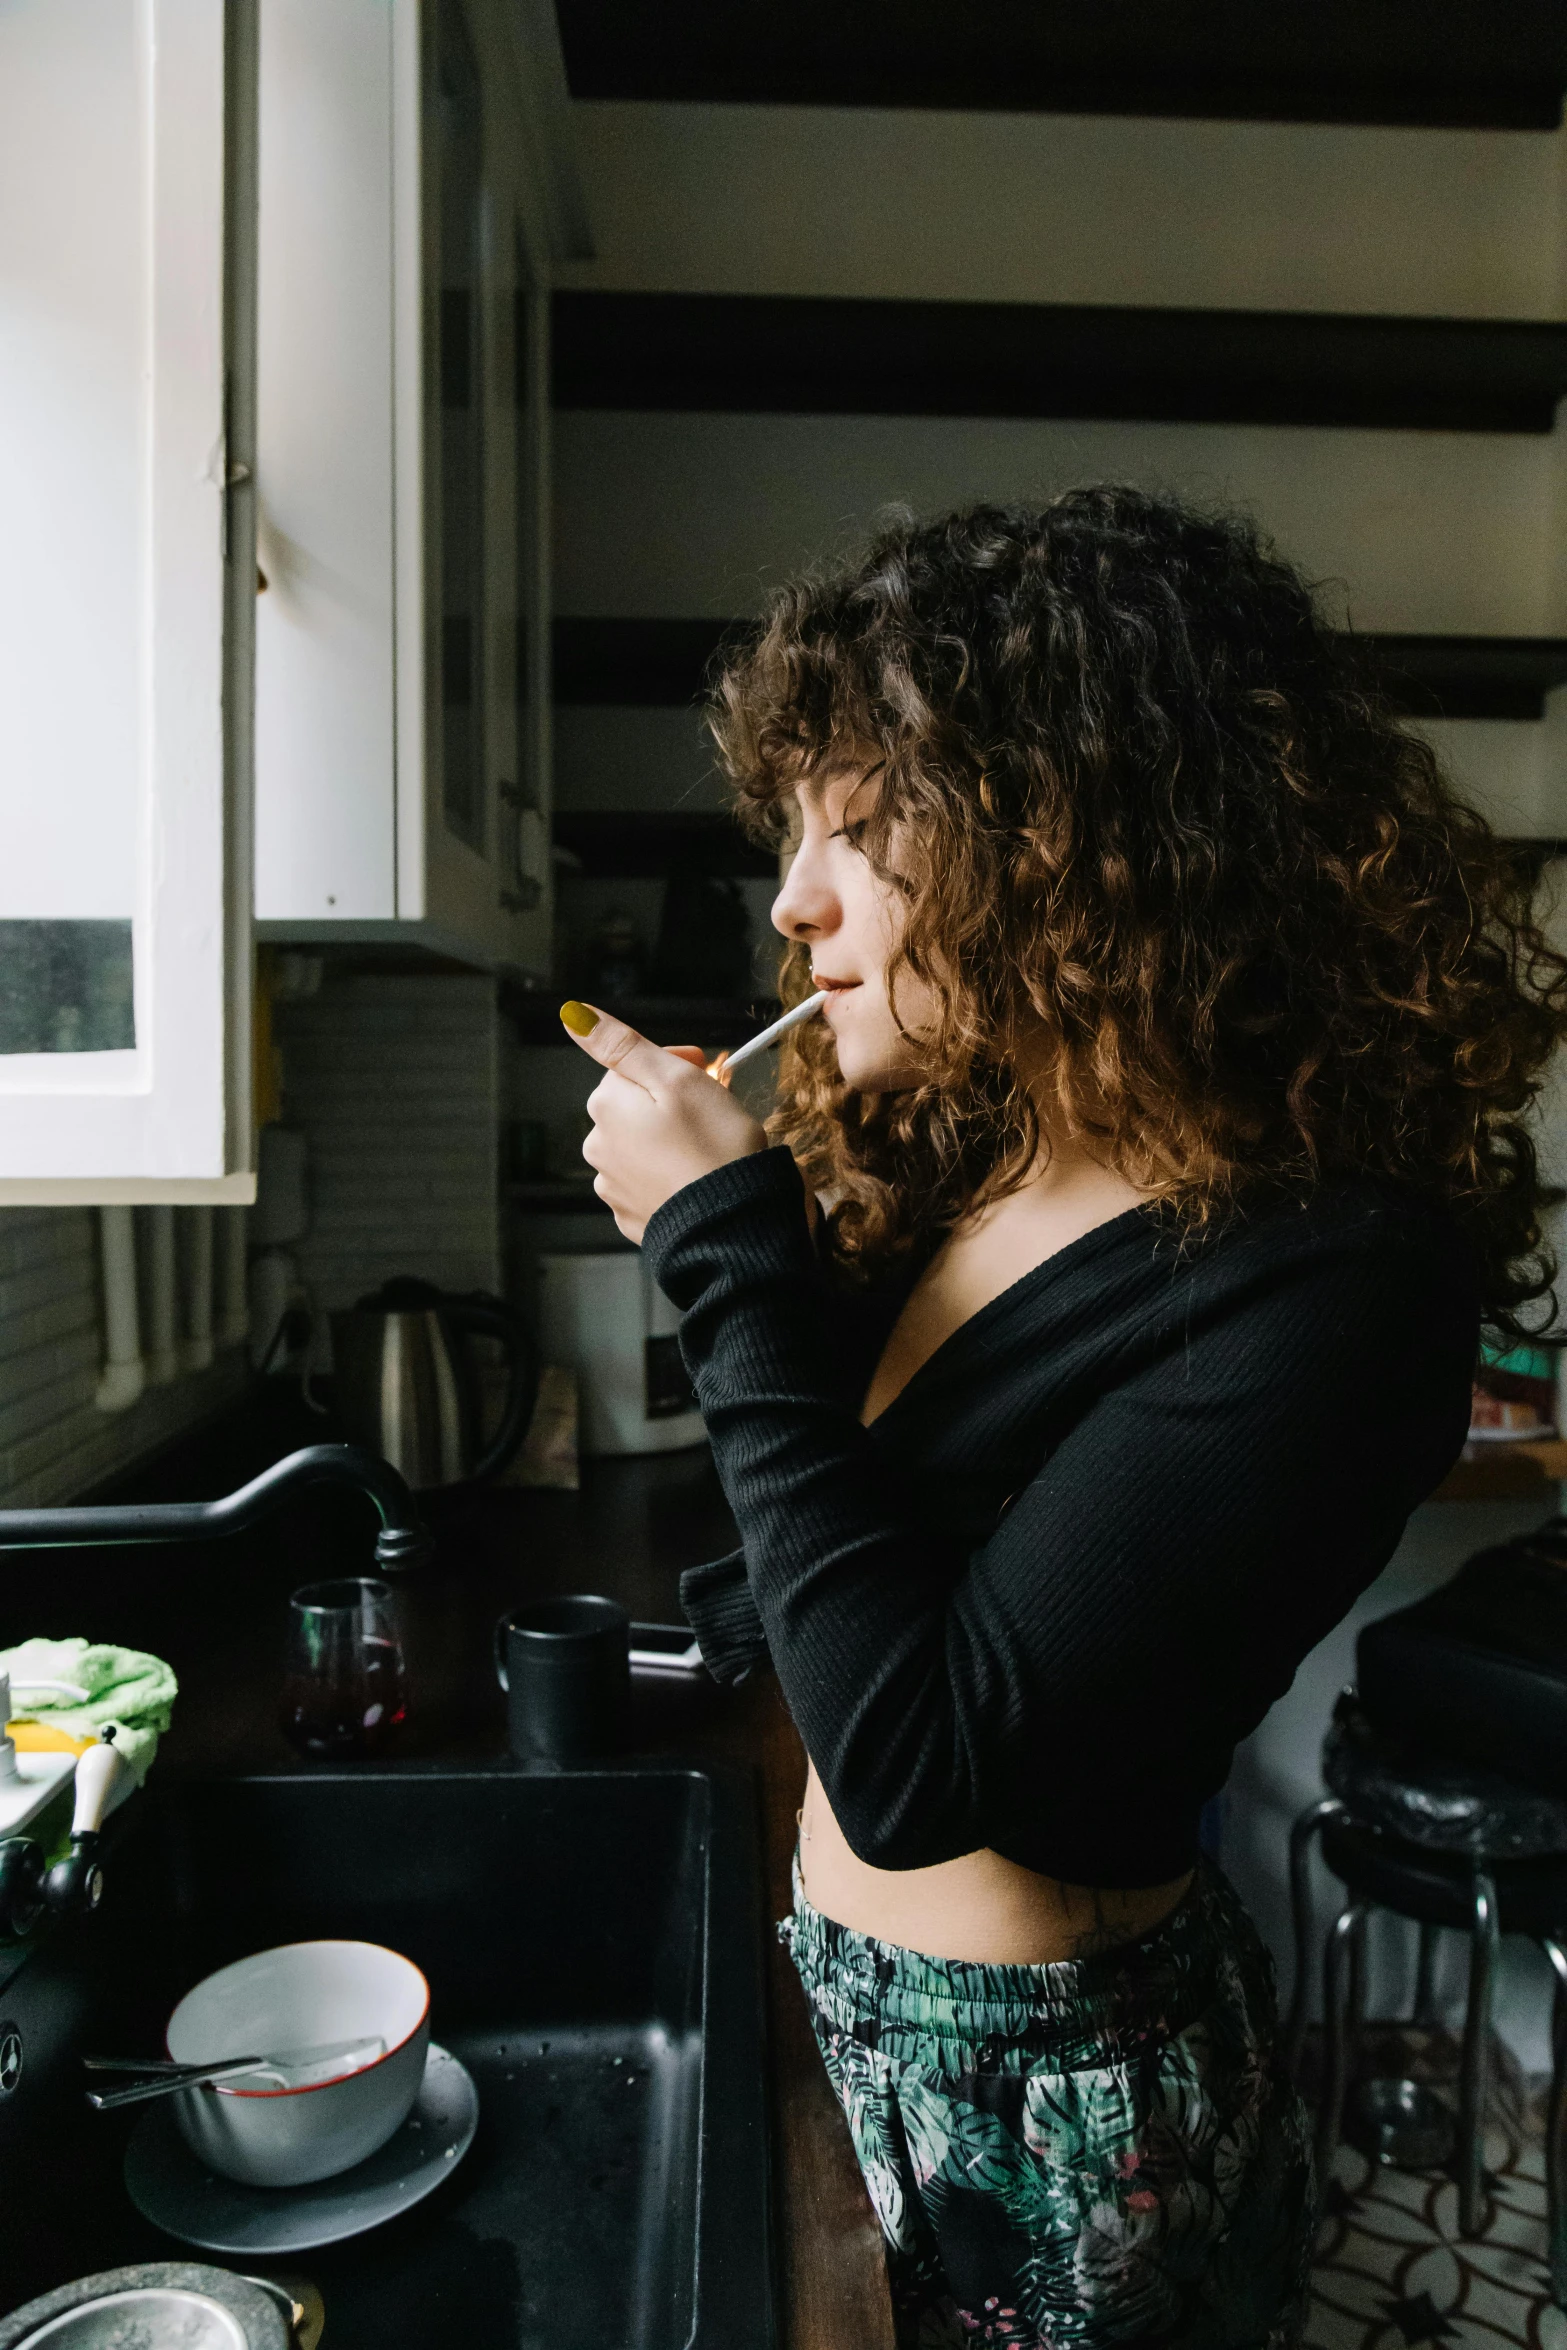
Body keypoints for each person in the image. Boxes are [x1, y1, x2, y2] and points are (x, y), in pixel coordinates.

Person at [559, 488, 1567, 2350]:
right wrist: (755, 1230)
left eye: (858, 829)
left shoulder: (1336, 1280)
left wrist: (719, 1259)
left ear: (1067, 844)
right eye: (796, 829)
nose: (792, 899)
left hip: (1052, 2112)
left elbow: (922, 1756)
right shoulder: (982, 1151)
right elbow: (849, 1546)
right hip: (847, 2007)